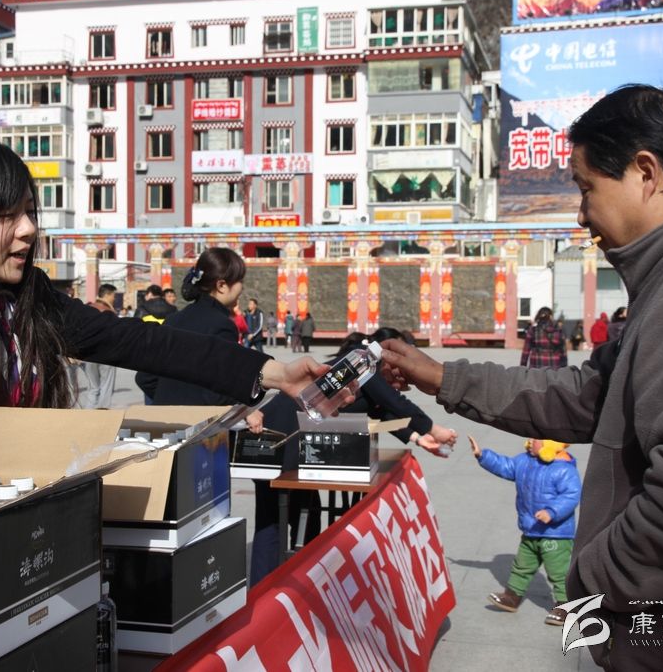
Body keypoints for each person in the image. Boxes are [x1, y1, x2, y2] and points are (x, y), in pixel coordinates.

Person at [378, 85, 663, 672]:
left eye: (586, 188)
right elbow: (588, 396)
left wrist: (591, 579)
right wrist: (443, 377)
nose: (582, 214)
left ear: (645, 173)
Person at [0, 136, 328, 455]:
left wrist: (275, 372)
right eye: (6, 216)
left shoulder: (30, 300)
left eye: (29, 212)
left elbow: (142, 343)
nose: (28, 230)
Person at [249, 328, 457, 584]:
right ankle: (262, 590)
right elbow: (393, 401)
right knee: (271, 520)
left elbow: (382, 411)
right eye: (401, 363)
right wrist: (434, 429)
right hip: (276, 436)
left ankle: (300, 581)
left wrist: (418, 437)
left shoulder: (364, 375)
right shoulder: (359, 362)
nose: (403, 373)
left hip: (298, 447)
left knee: (307, 513)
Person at [469, 435, 581, 626]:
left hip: (556, 534)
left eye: (534, 440)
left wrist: (552, 512)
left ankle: (566, 606)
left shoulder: (564, 469)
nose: (528, 443)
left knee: (559, 571)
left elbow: (571, 495)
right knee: (521, 566)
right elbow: (506, 466)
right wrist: (483, 455)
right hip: (531, 530)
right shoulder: (525, 461)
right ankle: (511, 597)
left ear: (548, 444)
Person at [149, 248, 251, 406]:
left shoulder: (172, 320)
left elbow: (145, 378)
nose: (242, 288)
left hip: (164, 417)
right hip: (200, 420)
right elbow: (220, 393)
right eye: (240, 281)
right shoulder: (222, 326)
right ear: (221, 285)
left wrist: (169, 400)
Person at [80, 283, 118, 409]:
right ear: (107, 295)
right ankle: (103, 413)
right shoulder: (109, 312)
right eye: (113, 295)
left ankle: (88, 413)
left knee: (93, 387)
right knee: (106, 386)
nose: (114, 298)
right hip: (106, 353)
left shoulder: (88, 308)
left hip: (89, 354)